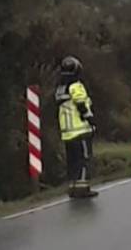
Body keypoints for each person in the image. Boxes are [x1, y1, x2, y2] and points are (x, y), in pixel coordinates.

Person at [55, 56, 98, 198]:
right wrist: (90, 119)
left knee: (72, 161)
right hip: (80, 129)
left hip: (66, 132)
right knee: (83, 159)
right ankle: (82, 188)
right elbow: (80, 103)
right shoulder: (76, 85)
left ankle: (72, 187)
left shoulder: (60, 88)